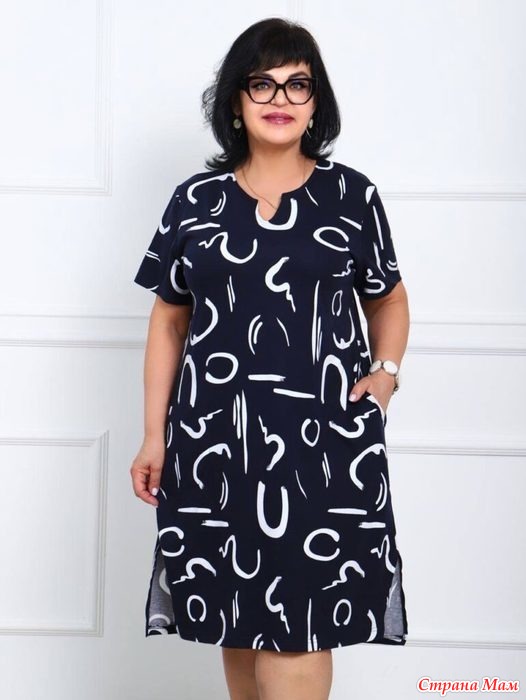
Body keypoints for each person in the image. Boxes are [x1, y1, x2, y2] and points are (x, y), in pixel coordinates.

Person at [130, 16, 410, 700]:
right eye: (262, 83)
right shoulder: (195, 202)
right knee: (238, 621)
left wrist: (385, 375)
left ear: (316, 102)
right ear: (235, 100)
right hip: (214, 446)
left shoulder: (352, 197)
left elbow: (389, 299)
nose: (279, 98)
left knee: (300, 630)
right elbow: (169, 319)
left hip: (324, 448)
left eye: (297, 84)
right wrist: (153, 434)